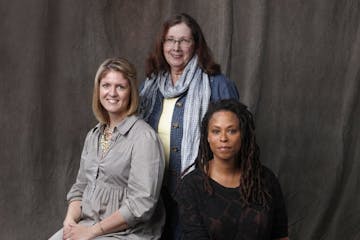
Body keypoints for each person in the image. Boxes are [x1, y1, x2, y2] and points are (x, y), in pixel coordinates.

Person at [139, 13, 239, 239]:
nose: (176, 47)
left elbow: (236, 141)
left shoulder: (216, 84)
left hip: (200, 192)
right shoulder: (150, 86)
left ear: (196, 45)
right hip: (153, 193)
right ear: (162, 44)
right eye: (170, 40)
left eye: (184, 40)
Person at [49, 58, 165, 240]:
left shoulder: (144, 138)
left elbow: (141, 204)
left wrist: (92, 232)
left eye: (120, 87)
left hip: (127, 233)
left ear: (131, 92)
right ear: (98, 90)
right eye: (106, 85)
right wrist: (70, 221)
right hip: (89, 223)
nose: (112, 93)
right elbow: (80, 187)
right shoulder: (94, 135)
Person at [176, 99, 289, 240]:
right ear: (208, 137)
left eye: (231, 131)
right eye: (216, 131)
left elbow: (280, 236)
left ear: (242, 135)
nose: (223, 138)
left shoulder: (266, 180)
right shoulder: (191, 186)